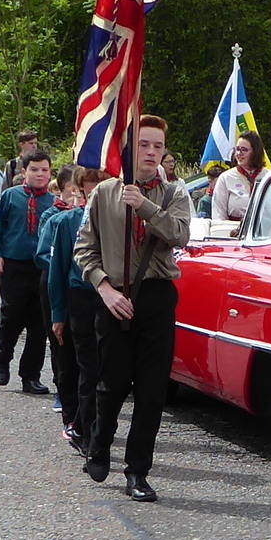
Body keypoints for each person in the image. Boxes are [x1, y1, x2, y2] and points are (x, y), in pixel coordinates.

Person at [75, 116, 191, 502]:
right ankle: (98, 443)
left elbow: (179, 234)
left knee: (153, 390)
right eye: (144, 145)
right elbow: (84, 250)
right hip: (114, 296)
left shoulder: (173, 193)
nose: (151, 153)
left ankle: (138, 471)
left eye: (158, 146)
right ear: (129, 148)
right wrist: (104, 288)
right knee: (112, 383)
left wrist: (144, 207)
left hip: (156, 297)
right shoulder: (105, 193)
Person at [43, 166, 105, 453]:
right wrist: (58, 314)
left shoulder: (117, 220)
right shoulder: (67, 222)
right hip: (80, 297)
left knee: (107, 371)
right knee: (86, 368)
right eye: (90, 185)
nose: (94, 190)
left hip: (110, 299)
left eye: (101, 184)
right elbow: (56, 271)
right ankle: (82, 428)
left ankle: (90, 425)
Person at [0, 151, 54, 393]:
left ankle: (30, 375)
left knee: (39, 325)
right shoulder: (9, 197)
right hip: (14, 265)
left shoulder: (54, 203)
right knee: (11, 318)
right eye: (34, 169)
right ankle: (2, 360)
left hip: (42, 268)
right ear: (24, 172)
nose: (39, 174)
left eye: (44, 170)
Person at [36, 164, 86, 416]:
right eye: (71, 190)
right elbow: (44, 253)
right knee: (61, 342)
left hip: (83, 289)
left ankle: (83, 402)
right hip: (58, 283)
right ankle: (63, 391)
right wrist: (65, 267)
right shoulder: (55, 219)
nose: (75, 195)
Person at [210, 130, 265, 222]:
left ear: (255, 152)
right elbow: (218, 214)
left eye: (244, 150)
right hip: (233, 231)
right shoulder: (226, 178)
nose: (239, 153)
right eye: (237, 149)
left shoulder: (267, 176)